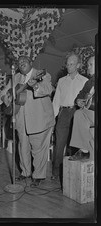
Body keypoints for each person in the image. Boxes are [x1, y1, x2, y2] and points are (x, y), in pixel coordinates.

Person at [0, 55, 55, 187]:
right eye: (19, 62)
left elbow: (48, 89)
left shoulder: (42, 74)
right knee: (22, 147)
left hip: (40, 118)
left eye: (24, 60)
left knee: (38, 148)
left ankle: (38, 176)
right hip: (20, 118)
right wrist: (5, 98)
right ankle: (25, 172)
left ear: (31, 62)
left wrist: (36, 86)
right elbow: (3, 92)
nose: (21, 63)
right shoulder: (16, 77)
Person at [51, 52, 88, 181]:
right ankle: (56, 172)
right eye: (67, 64)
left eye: (72, 64)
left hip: (77, 113)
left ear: (78, 65)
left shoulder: (85, 81)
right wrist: (53, 119)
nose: (69, 66)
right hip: (63, 113)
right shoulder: (61, 81)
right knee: (59, 144)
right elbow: (56, 101)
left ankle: (72, 173)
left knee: (75, 145)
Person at [69, 56, 95, 161]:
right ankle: (85, 151)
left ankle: (85, 152)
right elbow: (80, 95)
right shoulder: (89, 82)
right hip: (90, 114)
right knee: (79, 114)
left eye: (91, 65)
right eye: (88, 65)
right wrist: (78, 101)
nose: (88, 68)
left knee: (80, 115)